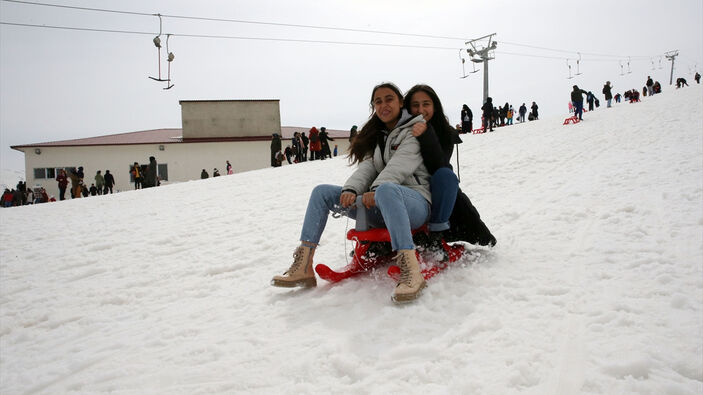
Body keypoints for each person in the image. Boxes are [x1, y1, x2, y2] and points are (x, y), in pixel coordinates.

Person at [271, 82, 431, 303]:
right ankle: (304, 265)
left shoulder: (414, 129)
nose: (383, 105)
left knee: (386, 189)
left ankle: (411, 271)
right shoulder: (380, 136)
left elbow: (401, 165)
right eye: (378, 101)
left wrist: (376, 190)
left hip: (415, 204)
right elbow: (367, 166)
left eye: (389, 99)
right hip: (382, 201)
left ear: (400, 102)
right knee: (322, 193)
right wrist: (351, 189)